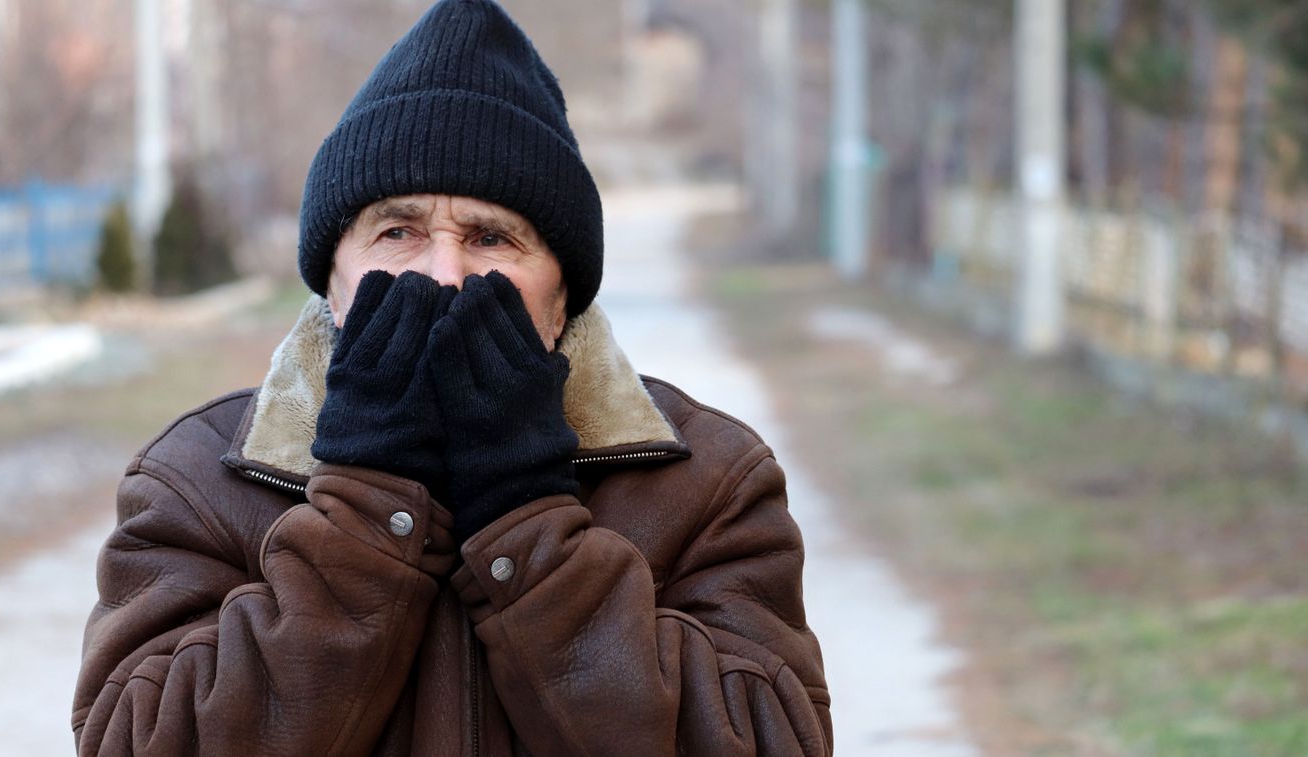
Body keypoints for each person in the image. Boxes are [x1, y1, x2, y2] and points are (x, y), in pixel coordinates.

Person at [72, 1, 832, 754]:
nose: (444, 274)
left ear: (561, 291)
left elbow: (770, 738)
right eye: (398, 231)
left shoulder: (710, 484)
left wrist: (527, 520)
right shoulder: (199, 482)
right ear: (330, 280)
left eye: (491, 237)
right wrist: (367, 510)